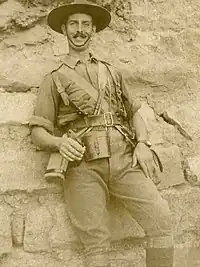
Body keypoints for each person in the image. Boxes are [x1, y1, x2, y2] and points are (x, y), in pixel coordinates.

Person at [29, 0, 174, 266]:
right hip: (82, 166)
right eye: (74, 24)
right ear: (64, 29)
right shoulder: (54, 78)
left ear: (94, 30)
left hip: (124, 159)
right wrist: (59, 143)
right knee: (95, 243)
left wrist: (142, 143)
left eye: (86, 24)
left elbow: (133, 114)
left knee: (162, 221)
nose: (80, 30)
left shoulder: (112, 72)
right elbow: (38, 131)